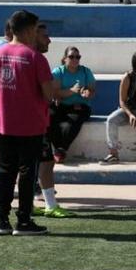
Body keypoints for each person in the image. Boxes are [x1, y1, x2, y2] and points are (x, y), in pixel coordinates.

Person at [0, 10, 54, 236]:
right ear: (27, 30)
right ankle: (23, 220)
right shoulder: (35, 57)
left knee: (5, 171)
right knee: (28, 172)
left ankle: (1, 220)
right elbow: (47, 94)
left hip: (4, 124)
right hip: (31, 125)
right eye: (35, 30)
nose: (37, 35)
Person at [33, 24, 76, 219]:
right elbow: (48, 93)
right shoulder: (34, 59)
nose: (49, 40)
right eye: (45, 36)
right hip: (33, 120)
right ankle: (46, 205)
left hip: (27, 120)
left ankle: (26, 205)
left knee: (33, 162)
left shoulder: (7, 54)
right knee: (42, 162)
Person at [47, 47, 96, 164]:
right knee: (48, 117)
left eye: (77, 57)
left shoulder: (85, 71)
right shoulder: (58, 72)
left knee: (73, 121)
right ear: (64, 59)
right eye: (71, 57)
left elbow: (92, 91)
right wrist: (72, 91)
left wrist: (87, 93)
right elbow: (54, 92)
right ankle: (60, 149)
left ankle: (60, 150)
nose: (75, 59)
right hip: (61, 104)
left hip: (79, 105)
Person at [100, 50, 136, 164]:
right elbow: (122, 101)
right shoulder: (128, 77)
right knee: (111, 120)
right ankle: (113, 153)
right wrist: (130, 115)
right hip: (130, 109)